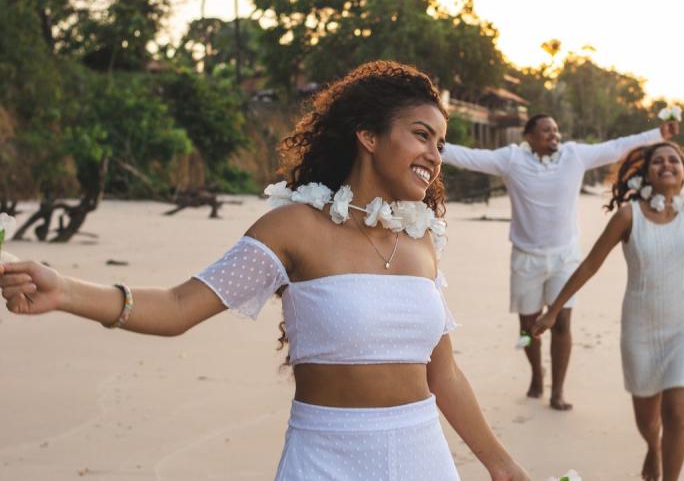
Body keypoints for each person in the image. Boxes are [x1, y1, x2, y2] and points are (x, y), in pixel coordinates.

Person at [1, 61, 530, 481]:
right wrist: (66, 290)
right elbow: (179, 306)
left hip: (424, 458)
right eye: (422, 135)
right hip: (326, 458)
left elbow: (444, 374)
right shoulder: (292, 229)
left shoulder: (421, 244)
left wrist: (501, 464)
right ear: (368, 136)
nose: (434, 155)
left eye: (440, 142)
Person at [532, 85, 684, 480]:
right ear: (647, 173)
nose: (667, 164)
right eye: (659, 161)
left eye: (674, 160)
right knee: (647, 419)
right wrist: (553, 310)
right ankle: (652, 447)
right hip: (640, 328)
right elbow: (589, 265)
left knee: (678, 414)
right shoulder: (627, 216)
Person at [442, 114, 679, 410]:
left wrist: (659, 133)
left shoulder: (574, 155)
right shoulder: (511, 159)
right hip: (525, 258)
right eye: (546, 131)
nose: (554, 135)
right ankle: (536, 375)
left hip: (565, 257)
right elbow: (469, 157)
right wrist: (433, 145)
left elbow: (617, 147)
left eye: (555, 130)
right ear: (529, 136)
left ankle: (558, 391)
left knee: (562, 322)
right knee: (528, 327)